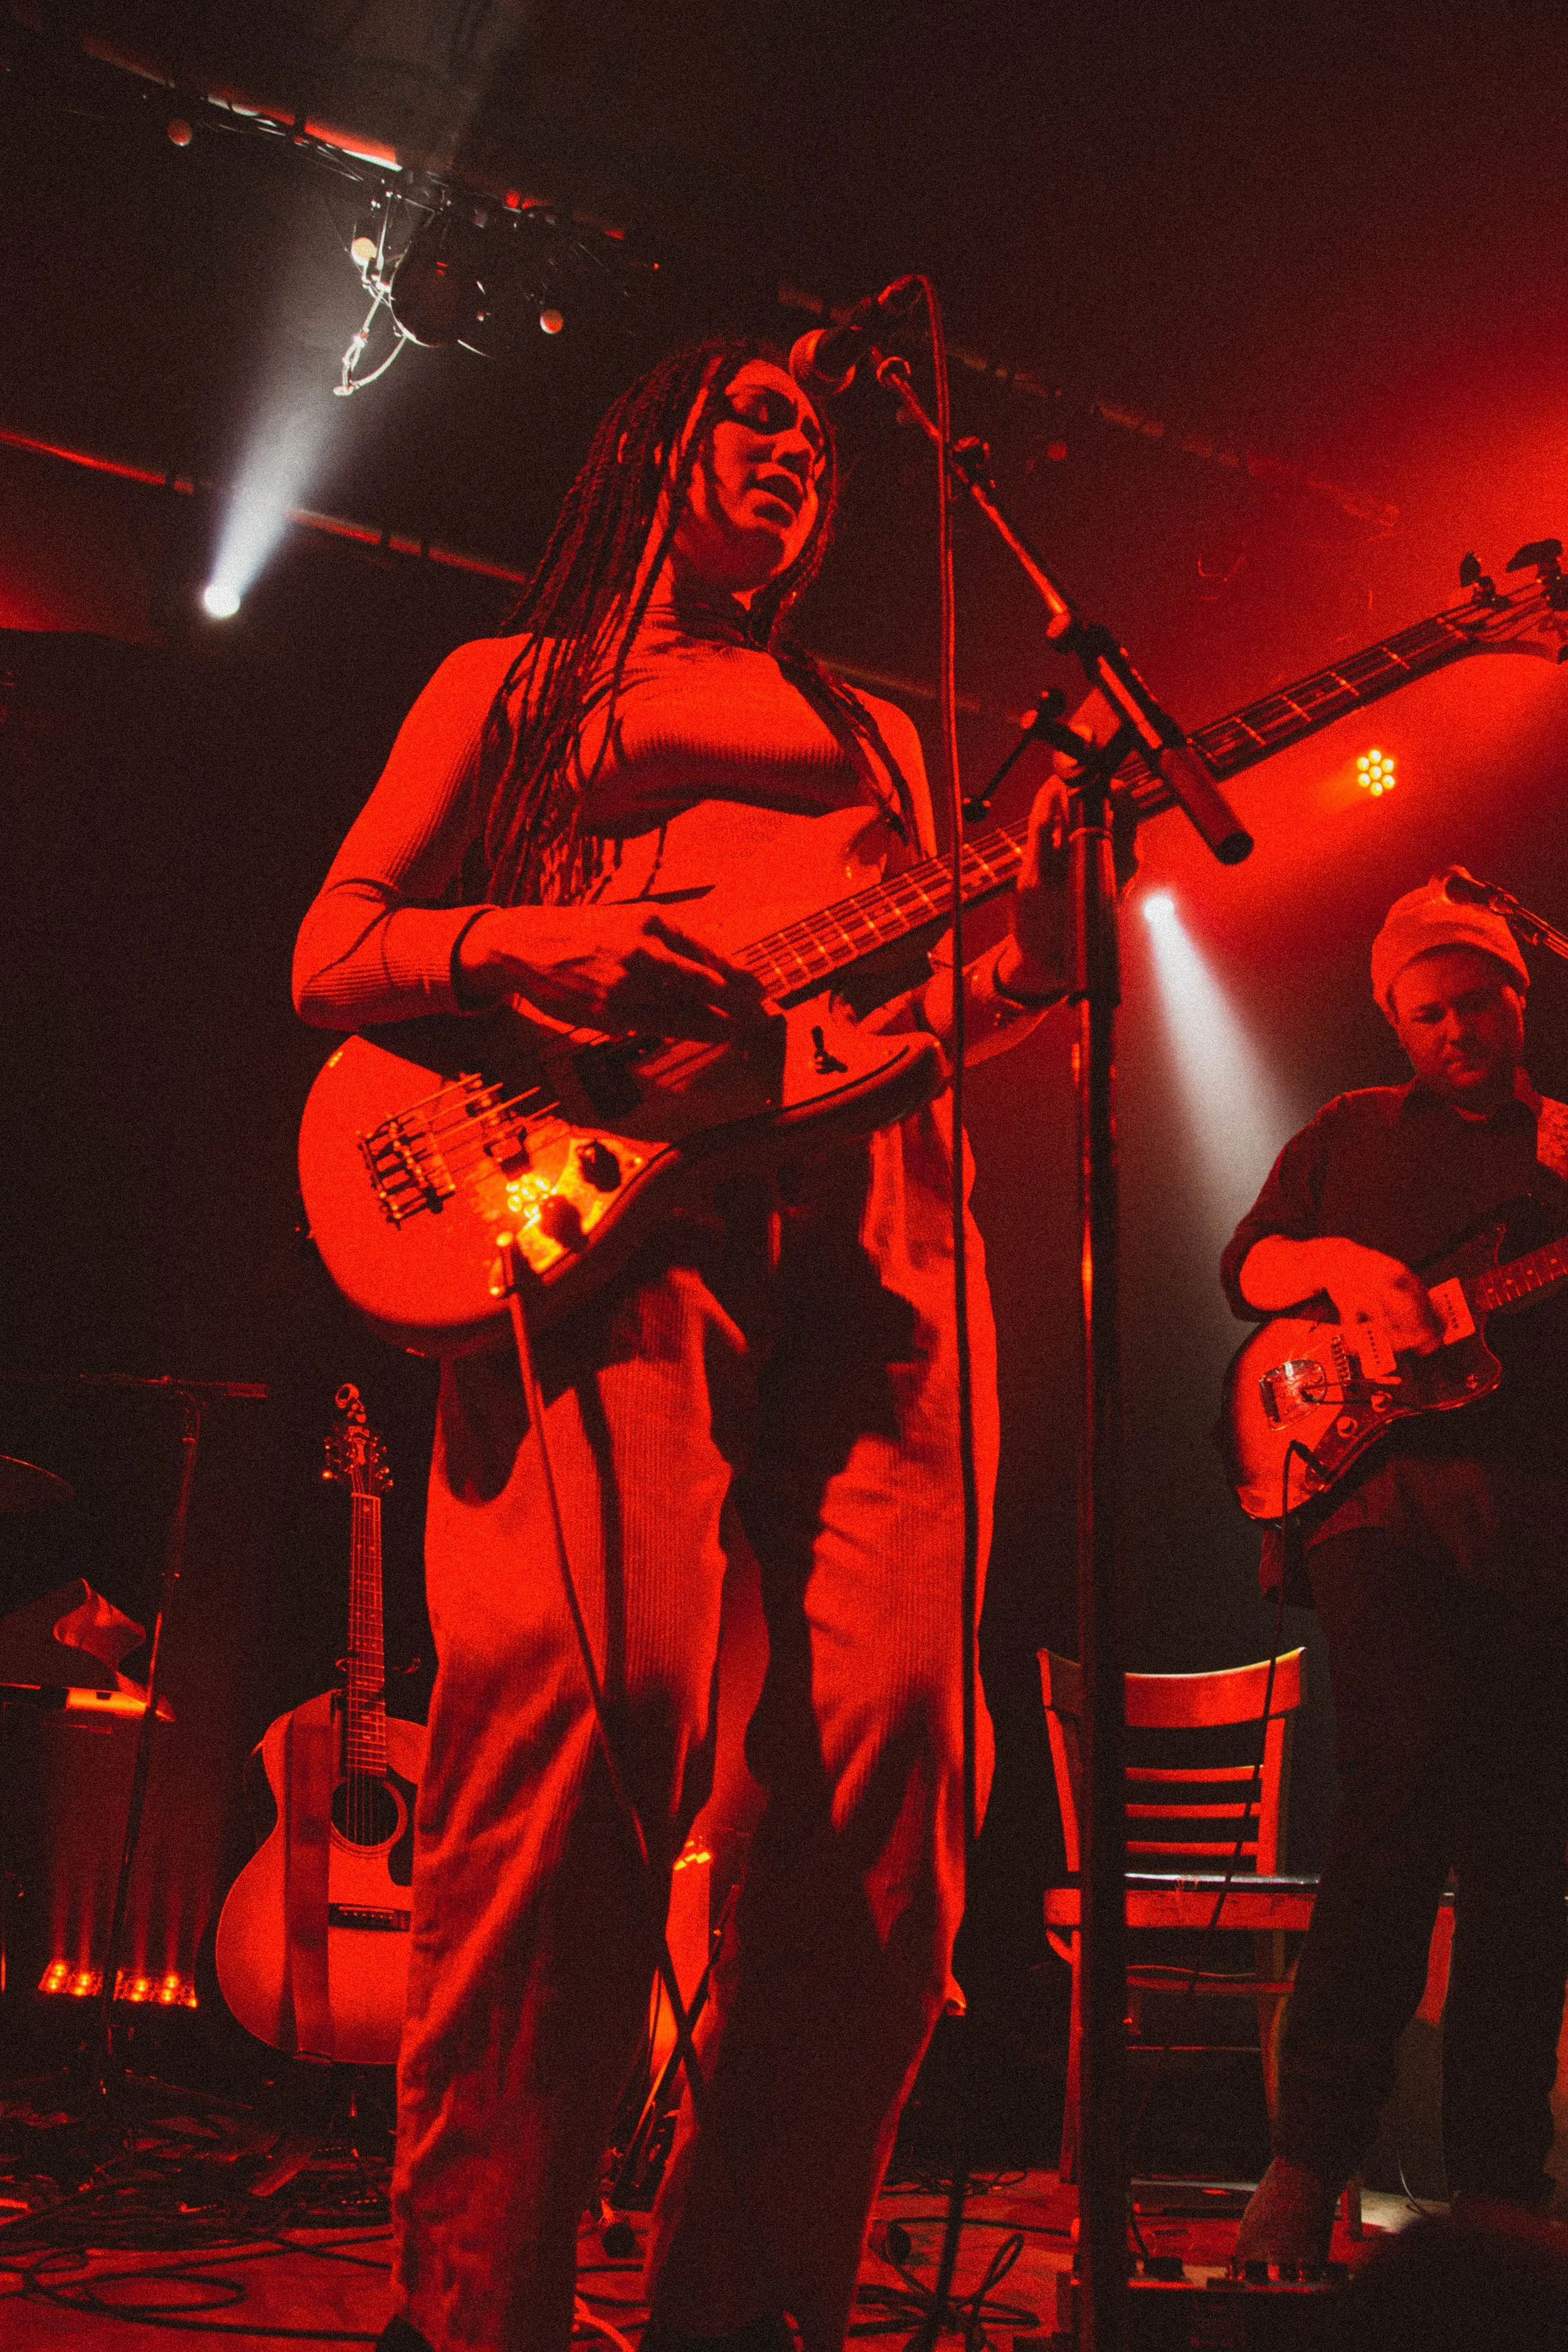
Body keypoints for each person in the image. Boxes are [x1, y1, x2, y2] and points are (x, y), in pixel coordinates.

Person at [294, 338, 1078, 2352]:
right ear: (650, 448)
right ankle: (477, 2309)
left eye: (811, 437)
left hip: (878, 1211)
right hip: (599, 1199)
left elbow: (941, 1004)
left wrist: (1044, 942)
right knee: (581, 1695)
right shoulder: (519, 682)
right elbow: (337, 945)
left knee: (901, 1760)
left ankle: (747, 2313)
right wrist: (519, 940)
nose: (790, 448)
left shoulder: (878, 725)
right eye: (750, 414)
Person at [1221, 878, 1568, 2262]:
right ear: (1392, 1021)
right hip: (1376, 1499)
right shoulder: (1349, 1132)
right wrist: (1330, 1262)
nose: (1450, 1031)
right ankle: (1306, 2165)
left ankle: (1496, 2198)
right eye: (1421, 1013)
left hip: (1537, 1520)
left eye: (1470, 1001)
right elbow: (1248, 1268)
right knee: (1396, 1788)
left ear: (1515, 997)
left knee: (1522, 1856)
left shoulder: (1558, 1147)